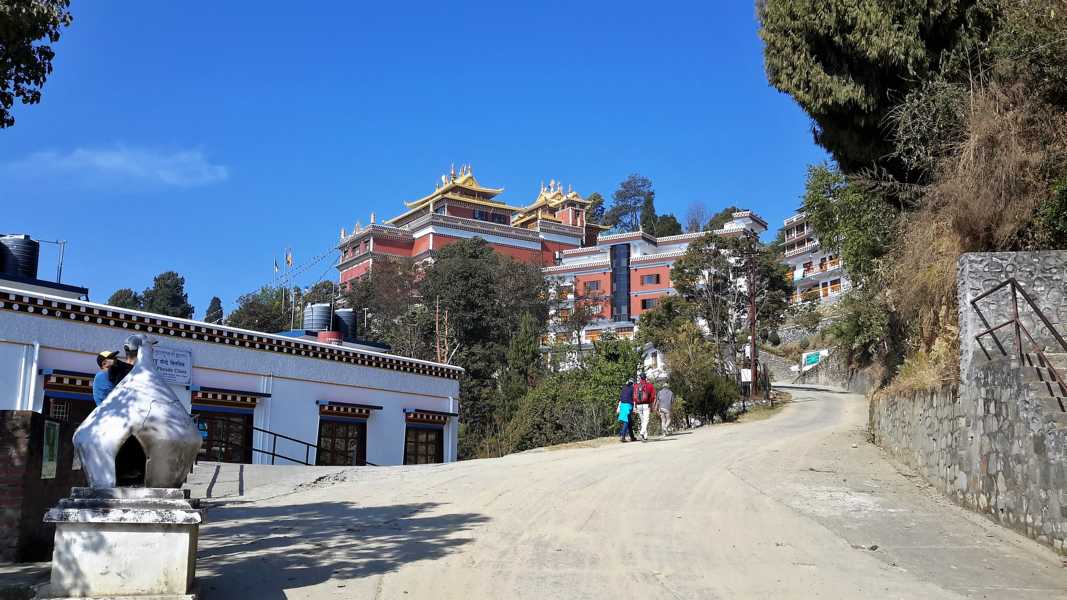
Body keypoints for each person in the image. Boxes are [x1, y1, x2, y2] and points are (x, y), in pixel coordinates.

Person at [633, 373, 656, 441]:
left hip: (638, 405)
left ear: (640, 378)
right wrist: (651, 404)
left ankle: (645, 436)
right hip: (646, 404)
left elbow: (634, 397)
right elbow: (652, 396)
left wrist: (635, 406)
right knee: (646, 420)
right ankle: (642, 433)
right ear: (645, 377)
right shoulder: (649, 385)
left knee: (643, 421)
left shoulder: (636, 386)